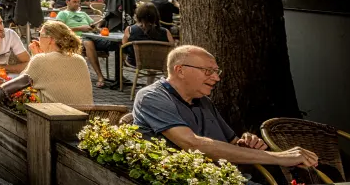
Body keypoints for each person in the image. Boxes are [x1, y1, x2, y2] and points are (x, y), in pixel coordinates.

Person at [133, 45, 318, 170]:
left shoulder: (203, 100)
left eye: (216, 71)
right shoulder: (152, 97)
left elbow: (231, 143)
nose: (217, 78)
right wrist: (279, 158)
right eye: (208, 71)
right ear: (180, 70)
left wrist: (246, 144)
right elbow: (192, 143)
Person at [84, 2, 173, 89]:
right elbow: (172, 47)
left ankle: (120, 79)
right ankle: (149, 83)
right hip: (159, 63)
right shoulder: (166, 32)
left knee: (121, 48)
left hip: (135, 61)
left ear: (138, 15)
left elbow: (124, 45)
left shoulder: (130, 29)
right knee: (153, 55)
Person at [24, 20, 94, 106]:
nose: (38, 38)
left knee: (22, 95)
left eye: (40, 35)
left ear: (51, 39)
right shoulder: (80, 59)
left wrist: (34, 57)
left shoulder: (40, 59)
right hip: (85, 115)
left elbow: (20, 84)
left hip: (55, 116)